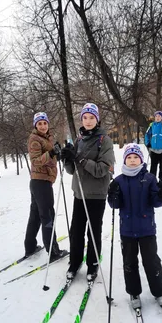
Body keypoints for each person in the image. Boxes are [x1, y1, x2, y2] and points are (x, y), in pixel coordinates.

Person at [107, 143, 162, 309]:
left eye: (136, 157)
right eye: (129, 158)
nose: (133, 160)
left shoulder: (149, 178)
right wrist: (112, 194)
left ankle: (159, 291)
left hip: (147, 230)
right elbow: (115, 204)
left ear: (141, 159)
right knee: (129, 262)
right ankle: (134, 291)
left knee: (151, 261)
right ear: (125, 160)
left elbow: (156, 202)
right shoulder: (119, 180)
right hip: (127, 230)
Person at [60, 103, 115, 281]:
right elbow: (71, 170)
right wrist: (67, 158)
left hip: (96, 194)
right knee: (76, 231)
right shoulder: (79, 140)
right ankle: (75, 263)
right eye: (85, 117)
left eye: (92, 117)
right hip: (79, 193)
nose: (88, 121)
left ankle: (92, 264)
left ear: (97, 119)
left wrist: (80, 159)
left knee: (93, 231)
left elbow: (102, 169)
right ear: (81, 119)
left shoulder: (104, 140)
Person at [24, 112, 68, 261]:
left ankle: (30, 247)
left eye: (45, 123)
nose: (43, 126)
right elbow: (36, 161)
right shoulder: (35, 140)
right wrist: (51, 153)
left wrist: (57, 154)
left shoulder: (46, 138)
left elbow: (50, 157)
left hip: (39, 182)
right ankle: (53, 251)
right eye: (40, 123)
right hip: (41, 183)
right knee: (48, 215)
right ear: (35, 125)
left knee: (36, 215)